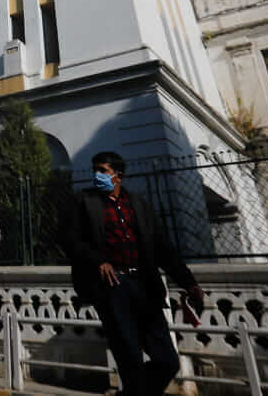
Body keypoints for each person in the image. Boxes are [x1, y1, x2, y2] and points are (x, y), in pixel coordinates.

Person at [65, 151, 205, 396]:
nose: (97, 175)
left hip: (144, 285)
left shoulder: (138, 205)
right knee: (129, 358)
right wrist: (98, 261)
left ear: (118, 175)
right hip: (113, 287)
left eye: (103, 171)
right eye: (95, 170)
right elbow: (71, 240)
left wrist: (188, 282)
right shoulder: (84, 202)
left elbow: (162, 247)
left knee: (167, 360)